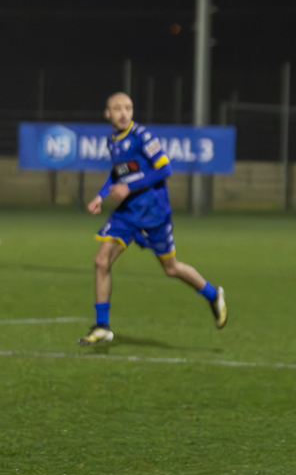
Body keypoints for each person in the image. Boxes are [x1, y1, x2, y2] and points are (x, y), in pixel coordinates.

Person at [79, 93, 226, 344]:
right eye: (117, 108)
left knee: (171, 268)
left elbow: (165, 168)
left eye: (128, 107)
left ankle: (213, 294)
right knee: (101, 261)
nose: (124, 113)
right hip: (126, 214)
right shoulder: (113, 141)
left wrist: (129, 188)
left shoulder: (142, 136)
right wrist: (101, 196)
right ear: (107, 114)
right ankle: (102, 326)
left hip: (153, 214)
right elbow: (118, 174)